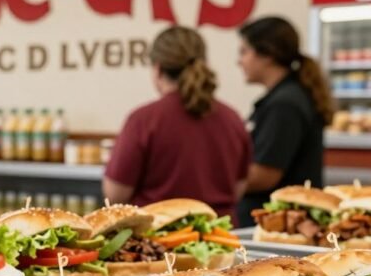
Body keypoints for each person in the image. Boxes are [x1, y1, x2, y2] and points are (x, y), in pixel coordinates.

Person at [103, 26, 252, 219]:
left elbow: (115, 195)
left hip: (158, 240)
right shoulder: (233, 119)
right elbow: (238, 188)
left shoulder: (144, 119)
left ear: (157, 69)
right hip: (222, 237)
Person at [236, 16, 334, 225]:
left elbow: (265, 175)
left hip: (278, 225)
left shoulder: (284, 105)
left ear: (267, 55)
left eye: (244, 52)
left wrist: (218, 184)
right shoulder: (285, 97)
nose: (239, 61)